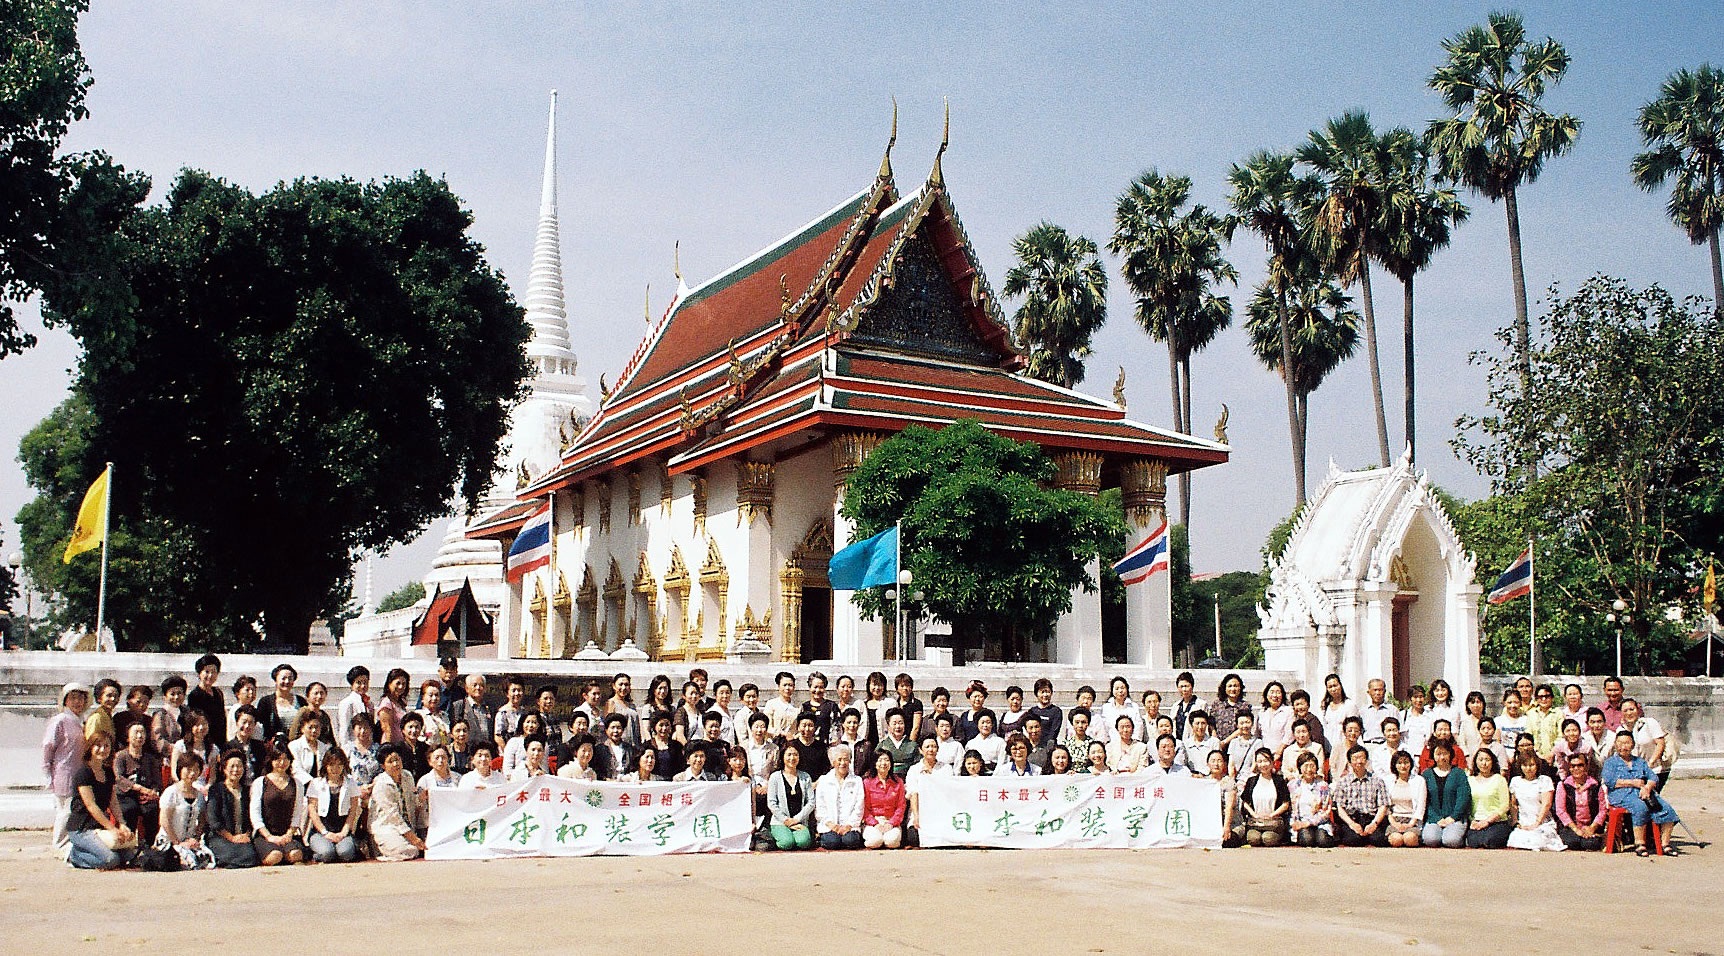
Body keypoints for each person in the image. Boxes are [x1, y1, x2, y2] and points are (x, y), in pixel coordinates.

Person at [1601, 729, 1680, 857]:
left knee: (1667, 808)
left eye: (1627, 743)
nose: (1623, 746)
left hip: (1643, 792)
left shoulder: (1640, 762)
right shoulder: (1611, 762)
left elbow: (1653, 777)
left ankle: (1665, 844)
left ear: (1632, 745)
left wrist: (1648, 787)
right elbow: (1610, 782)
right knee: (1640, 807)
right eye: (1620, 743)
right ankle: (1640, 843)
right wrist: (1632, 783)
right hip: (1621, 794)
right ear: (1615, 744)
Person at [65, 732, 135, 870]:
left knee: (128, 856)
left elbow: (113, 801)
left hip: (99, 827)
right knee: (111, 860)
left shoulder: (108, 772)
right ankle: (74, 855)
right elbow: (91, 806)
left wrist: (122, 824)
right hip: (81, 828)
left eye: (106, 746)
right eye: (98, 745)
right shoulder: (83, 773)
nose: (103, 750)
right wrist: (112, 828)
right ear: (90, 747)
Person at [43, 682, 91, 851]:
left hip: (79, 772)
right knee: (64, 810)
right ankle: (59, 844)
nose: (78, 702)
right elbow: (48, 746)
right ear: (65, 700)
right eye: (73, 698)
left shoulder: (82, 721)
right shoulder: (60, 721)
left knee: (73, 809)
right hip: (63, 772)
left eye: (81, 698)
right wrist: (47, 773)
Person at [156, 752, 214, 870]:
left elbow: (202, 819)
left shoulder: (199, 794)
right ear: (180, 769)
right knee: (187, 861)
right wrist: (177, 842)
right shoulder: (171, 792)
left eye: (196, 769)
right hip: (170, 841)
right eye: (188, 769)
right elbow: (164, 821)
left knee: (208, 859)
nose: (192, 773)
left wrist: (195, 838)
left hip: (189, 842)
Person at [249, 748, 306, 866]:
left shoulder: (297, 784)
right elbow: (255, 813)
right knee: (275, 856)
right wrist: (269, 836)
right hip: (265, 834)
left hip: (287, 834)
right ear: (271, 761)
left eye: (285, 759)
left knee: (295, 855)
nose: (282, 763)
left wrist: (289, 834)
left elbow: (297, 813)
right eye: (278, 759)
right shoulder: (260, 782)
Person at [369, 744, 426, 861]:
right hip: (387, 827)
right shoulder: (381, 785)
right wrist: (413, 838)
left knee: (417, 849)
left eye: (397, 760)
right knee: (408, 851)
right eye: (390, 761)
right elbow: (393, 816)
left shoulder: (407, 776)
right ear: (383, 766)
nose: (395, 764)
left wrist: (421, 799)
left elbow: (411, 803)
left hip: (408, 826)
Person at [204, 750, 260, 868]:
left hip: (242, 837)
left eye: (239, 766)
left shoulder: (247, 791)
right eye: (232, 766)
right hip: (221, 837)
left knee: (251, 856)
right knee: (241, 855)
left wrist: (247, 835)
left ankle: (228, 862)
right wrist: (232, 837)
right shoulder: (216, 790)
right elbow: (213, 820)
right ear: (224, 769)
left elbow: (252, 817)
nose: (236, 770)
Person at [306, 747, 362, 863]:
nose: (335, 768)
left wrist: (343, 833)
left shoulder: (350, 783)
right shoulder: (316, 783)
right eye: (331, 764)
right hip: (321, 831)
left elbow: (353, 810)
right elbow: (312, 811)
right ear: (326, 765)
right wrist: (325, 832)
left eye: (339, 764)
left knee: (345, 853)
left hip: (342, 830)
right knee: (327, 853)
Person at [113, 721, 162, 845]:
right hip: (126, 794)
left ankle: (149, 844)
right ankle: (127, 844)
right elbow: (119, 778)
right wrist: (139, 788)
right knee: (130, 809)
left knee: (152, 810)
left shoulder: (150, 759)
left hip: (146, 795)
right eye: (136, 733)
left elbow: (157, 780)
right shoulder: (120, 756)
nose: (140, 736)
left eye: (142, 733)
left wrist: (153, 792)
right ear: (128, 737)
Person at [1505, 753, 1565, 851]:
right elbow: (1513, 804)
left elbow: (1547, 804)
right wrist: (1516, 821)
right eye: (1525, 765)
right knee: (1516, 840)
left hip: (1542, 822)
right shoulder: (1515, 781)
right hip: (1523, 822)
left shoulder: (1544, 780)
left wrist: (1536, 823)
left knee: (1537, 840)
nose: (1528, 769)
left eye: (1531, 765)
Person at [1333, 745, 1390, 847]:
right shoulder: (1343, 782)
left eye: (1362, 758)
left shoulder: (1377, 780)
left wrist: (1374, 824)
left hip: (1371, 818)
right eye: (1355, 759)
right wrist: (1352, 824)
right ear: (1349, 762)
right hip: (1352, 818)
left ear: (1366, 760)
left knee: (1378, 840)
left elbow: (1383, 806)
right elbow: (1339, 808)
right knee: (1353, 840)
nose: (1359, 761)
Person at [1420, 737, 1471, 849]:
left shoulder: (1459, 773)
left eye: (1445, 753)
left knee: (1451, 841)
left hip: (1455, 818)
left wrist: (1452, 817)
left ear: (1450, 754)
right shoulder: (1426, 775)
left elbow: (1463, 798)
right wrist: (1436, 818)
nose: (1442, 757)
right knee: (1430, 840)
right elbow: (1424, 801)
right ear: (1433, 755)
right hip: (1434, 818)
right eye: (1438, 754)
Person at [1554, 752, 1608, 851]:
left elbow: (1603, 810)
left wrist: (1592, 828)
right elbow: (1560, 810)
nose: (1576, 769)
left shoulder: (1595, 786)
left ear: (1586, 766)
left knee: (1591, 844)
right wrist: (1575, 829)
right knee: (1573, 842)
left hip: (1591, 826)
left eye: (1580, 765)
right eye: (1573, 766)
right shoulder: (1563, 785)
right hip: (1571, 826)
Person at [767, 743, 815, 850]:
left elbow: (811, 802)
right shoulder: (775, 777)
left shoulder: (805, 777)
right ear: (783, 756)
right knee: (786, 843)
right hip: (780, 821)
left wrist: (796, 819)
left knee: (804, 842)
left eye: (795, 754)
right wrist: (786, 821)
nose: (792, 758)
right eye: (789, 754)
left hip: (799, 821)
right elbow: (771, 803)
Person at [815, 745, 864, 850]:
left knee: (850, 841)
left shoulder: (857, 781)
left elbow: (859, 807)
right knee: (832, 842)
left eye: (846, 759)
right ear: (833, 762)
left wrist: (849, 825)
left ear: (850, 761)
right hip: (829, 825)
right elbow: (820, 806)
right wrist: (832, 825)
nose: (843, 763)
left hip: (850, 826)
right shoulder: (824, 780)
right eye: (839, 759)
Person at [1238, 750, 1289, 847]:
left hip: (1274, 823)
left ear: (1272, 762)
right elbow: (1245, 802)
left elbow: (1285, 804)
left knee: (1267, 838)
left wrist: (1272, 815)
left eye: (1266, 761)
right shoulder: (1252, 781)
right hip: (1255, 823)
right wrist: (1254, 815)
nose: (1263, 764)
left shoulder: (1279, 780)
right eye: (1260, 761)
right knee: (1253, 839)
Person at [1620, 698, 1674, 789]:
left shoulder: (1649, 723)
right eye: (1625, 710)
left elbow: (1660, 743)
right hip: (1635, 773)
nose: (1629, 713)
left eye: (1632, 709)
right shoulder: (1621, 730)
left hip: (1655, 770)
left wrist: (1650, 763)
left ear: (1638, 710)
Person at [1465, 749, 1512, 849]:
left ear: (1492, 761)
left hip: (1496, 821)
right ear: (1475, 762)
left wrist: (1487, 821)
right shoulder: (1470, 780)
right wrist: (1471, 820)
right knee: (1474, 842)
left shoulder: (1499, 779)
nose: (1484, 763)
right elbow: (1466, 804)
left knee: (1489, 841)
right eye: (1481, 759)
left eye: (1487, 760)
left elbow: (1505, 806)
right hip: (1476, 821)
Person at [861, 749, 906, 849]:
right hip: (874, 821)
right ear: (875, 763)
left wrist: (891, 823)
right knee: (874, 841)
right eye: (880, 760)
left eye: (886, 760)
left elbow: (901, 806)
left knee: (891, 842)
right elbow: (865, 808)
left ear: (891, 763)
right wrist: (875, 824)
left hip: (891, 821)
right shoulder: (867, 782)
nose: (883, 763)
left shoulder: (898, 782)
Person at [1288, 752, 1334, 848]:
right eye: (1305, 766)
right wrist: (1296, 823)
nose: (1309, 770)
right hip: (1300, 822)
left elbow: (1326, 811)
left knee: (1322, 841)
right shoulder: (1293, 785)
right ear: (1299, 768)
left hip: (1320, 823)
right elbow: (1291, 810)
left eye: (1312, 766)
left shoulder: (1323, 786)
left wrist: (1309, 823)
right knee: (1307, 840)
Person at [257, 663, 307, 747]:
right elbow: (262, 728)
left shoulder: (301, 701)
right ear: (276, 680)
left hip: (298, 747)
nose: (287, 681)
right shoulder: (266, 702)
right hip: (275, 748)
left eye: (290, 678)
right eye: (283, 678)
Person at [170, 712, 220, 793]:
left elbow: (212, 777)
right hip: (182, 786)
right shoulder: (180, 746)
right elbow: (174, 772)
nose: (201, 728)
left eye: (204, 724)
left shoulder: (213, 749)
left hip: (202, 788)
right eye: (197, 724)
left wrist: (207, 788)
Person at [187, 654, 228, 746]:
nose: (210, 675)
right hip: (204, 739)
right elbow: (194, 720)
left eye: (214, 672)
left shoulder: (218, 693)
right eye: (207, 671)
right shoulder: (194, 695)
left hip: (220, 739)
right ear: (199, 673)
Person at [449, 674, 493, 754]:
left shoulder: (490, 707)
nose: (478, 688)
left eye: (481, 685)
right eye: (474, 685)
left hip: (487, 752)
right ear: (467, 688)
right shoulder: (459, 706)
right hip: (466, 752)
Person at [288, 710, 331, 787]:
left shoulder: (325, 748)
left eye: (317, 727)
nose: (314, 731)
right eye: (310, 727)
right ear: (302, 729)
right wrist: (313, 784)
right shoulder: (294, 746)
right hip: (301, 786)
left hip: (322, 787)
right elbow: (296, 770)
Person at [1100, 676, 1146, 744]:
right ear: (1112, 690)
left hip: (1131, 745)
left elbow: (1138, 727)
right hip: (1112, 745)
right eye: (1117, 688)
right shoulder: (1106, 708)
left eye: (1122, 688)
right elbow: (1104, 728)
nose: (1120, 691)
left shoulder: (1134, 707)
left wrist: (1134, 743)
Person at [152, 675, 189, 757]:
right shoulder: (160, 715)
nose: (176, 697)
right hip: (167, 760)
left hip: (188, 759)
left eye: (179, 693)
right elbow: (158, 739)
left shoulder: (188, 713)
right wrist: (177, 750)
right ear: (165, 696)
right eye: (172, 694)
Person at [335, 665, 372, 748]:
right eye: (359, 683)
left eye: (365, 682)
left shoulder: (369, 703)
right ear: (352, 684)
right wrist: (345, 749)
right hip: (352, 746)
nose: (363, 686)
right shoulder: (347, 703)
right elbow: (343, 729)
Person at [1317, 673, 1356, 750]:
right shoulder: (1326, 706)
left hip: (1345, 747)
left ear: (1340, 685)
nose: (1333, 689)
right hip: (1328, 747)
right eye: (1330, 687)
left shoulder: (1349, 705)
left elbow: (1354, 727)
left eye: (1335, 685)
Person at [1210, 673, 1253, 741]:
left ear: (1240, 688)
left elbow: (1243, 727)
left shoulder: (1245, 706)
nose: (1232, 689)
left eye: (1235, 686)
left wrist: (1225, 742)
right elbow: (1211, 725)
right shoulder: (1217, 704)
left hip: (1238, 743)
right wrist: (1216, 742)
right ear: (1224, 688)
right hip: (1218, 745)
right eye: (1230, 686)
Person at [374, 667, 411, 745]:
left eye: (404, 684)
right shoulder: (386, 704)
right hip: (392, 745)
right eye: (398, 683)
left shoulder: (401, 703)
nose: (401, 687)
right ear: (389, 683)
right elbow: (387, 730)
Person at [1281, 718, 1325, 782]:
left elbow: (1320, 769)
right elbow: (1285, 770)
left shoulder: (1317, 748)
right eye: (1298, 732)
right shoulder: (1288, 750)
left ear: (1309, 733)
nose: (1301, 735)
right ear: (1293, 734)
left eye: (1304, 731)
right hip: (1293, 783)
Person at [1524, 684, 1561, 759]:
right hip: (1534, 756)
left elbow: (1561, 736)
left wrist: (1552, 754)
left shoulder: (1558, 713)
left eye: (1547, 696)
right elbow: (1528, 736)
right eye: (1540, 697)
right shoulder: (1531, 714)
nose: (1544, 699)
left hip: (1555, 756)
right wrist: (1537, 754)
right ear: (1536, 699)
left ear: (1552, 698)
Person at [1259, 681, 1293, 761]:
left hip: (1283, 755)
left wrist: (1279, 753)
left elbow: (1289, 735)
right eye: (1272, 692)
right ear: (1266, 694)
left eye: (1278, 692)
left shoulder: (1288, 711)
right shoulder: (1262, 713)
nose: (1275, 695)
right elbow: (1259, 734)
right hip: (1264, 756)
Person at [1399, 684, 1432, 759]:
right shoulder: (1403, 715)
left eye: (1421, 697)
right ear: (1410, 699)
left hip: (1426, 755)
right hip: (1409, 755)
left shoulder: (1431, 715)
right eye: (1415, 697)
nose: (1419, 700)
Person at [763, 671, 800, 739]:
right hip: (775, 742)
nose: (787, 688)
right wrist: (780, 733)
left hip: (792, 743)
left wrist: (794, 737)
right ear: (778, 686)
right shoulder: (771, 704)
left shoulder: (798, 706)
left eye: (790, 685)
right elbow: (767, 726)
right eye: (784, 685)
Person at [1170, 672, 1205, 742]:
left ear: (1192, 687)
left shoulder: (1201, 704)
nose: (1184, 689)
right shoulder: (1176, 706)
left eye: (1186, 686)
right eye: (1181, 687)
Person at [83, 678, 121, 743]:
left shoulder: (108, 716)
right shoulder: (96, 718)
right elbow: (90, 742)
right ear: (99, 698)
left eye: (116, 696)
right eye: (109, 695)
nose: (113, 699)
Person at [416, 680, 451, 748]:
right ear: (422, 698)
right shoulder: (418, 716)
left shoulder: (444, 716)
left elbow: (446, 740)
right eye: (430, 695)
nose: (434, 698)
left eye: (437, 695)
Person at [1027, 677, 1062, 742]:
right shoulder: (1032, 711)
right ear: (1036, 694)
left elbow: (1054, 732)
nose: (1045, 695)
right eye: (1042, 692)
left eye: (1047, 692)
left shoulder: (1056, 711)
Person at [1456, 690, 1488, 758]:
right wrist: (1467, 756)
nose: (1476, 705)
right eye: (1473, 702)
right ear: (1468, 705)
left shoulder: (1488, 722)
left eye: (1478, 702)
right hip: (1470, 758)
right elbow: (1462, 743)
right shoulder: (1465, 723)